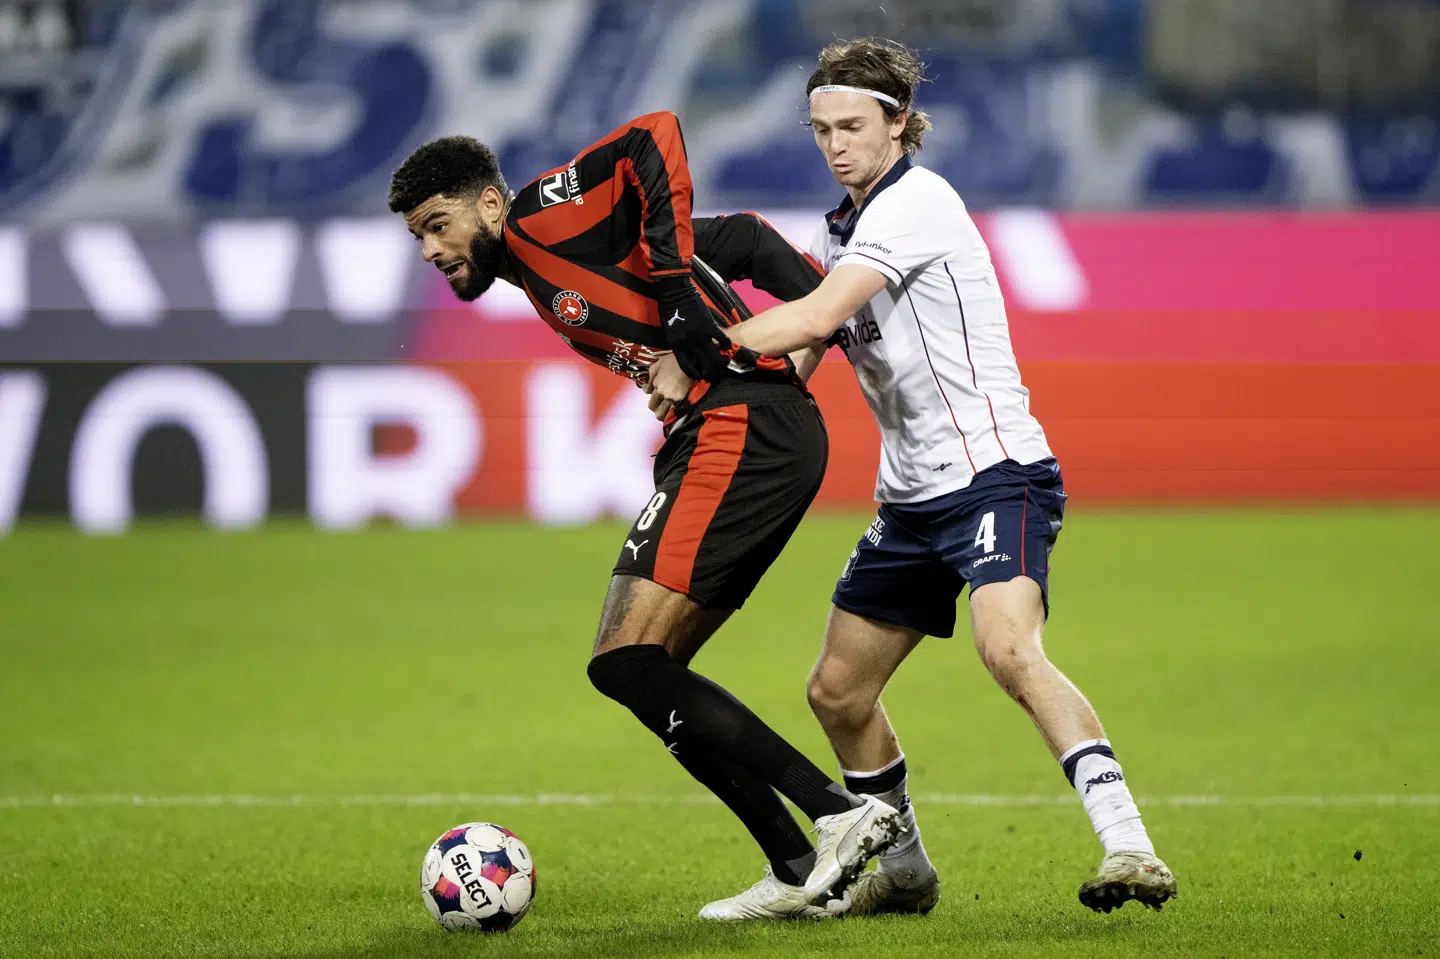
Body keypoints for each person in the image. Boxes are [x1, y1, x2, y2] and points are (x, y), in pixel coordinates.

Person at [646, 40, 1178, 916]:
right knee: (838, 691)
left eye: (852, 126)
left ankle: (1130, 845)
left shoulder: (918, 203)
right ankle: (903, 872)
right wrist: (709, 397)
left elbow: (817, 313)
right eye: (821, 129)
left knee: (1008, 648)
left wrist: (700, 347)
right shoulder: (837, 231)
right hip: (910, 500)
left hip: (996, 474)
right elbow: (801, 357)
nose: (835, 144)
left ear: (898, 124)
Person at [386, 112, 903, 921]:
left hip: (741, 428)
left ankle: (835, 812)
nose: (429, 249)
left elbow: (651, 136)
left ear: (488, 203)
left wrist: (687, 310)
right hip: (736, 427)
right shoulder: (551, 263)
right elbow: (741, 239)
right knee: (649, 674)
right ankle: (798, 863)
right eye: (418, 236)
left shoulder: (540, 219)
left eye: (436, 224)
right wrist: (818, 316)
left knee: (625, 660)